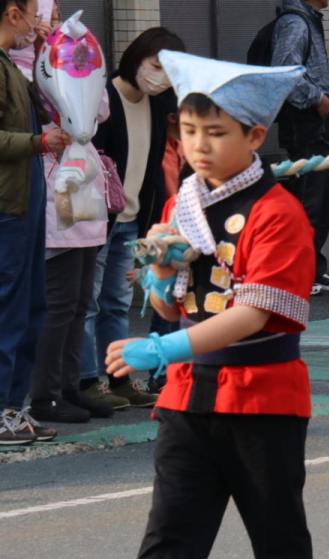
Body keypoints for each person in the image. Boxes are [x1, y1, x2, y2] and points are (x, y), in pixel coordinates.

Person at [92, 50, 321, 559]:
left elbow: (252, 314)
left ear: (254, 137)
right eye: (189, 132)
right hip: (191, 395)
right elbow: (172, 302)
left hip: (263, 396)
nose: (199, 146)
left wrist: (161, 347)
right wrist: (160, 281)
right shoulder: (182, 205)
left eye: (216, 133)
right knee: (171, 527)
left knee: (275, 526)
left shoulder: (279, 214)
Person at [80, 27, 184, 416]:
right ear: (136, 57)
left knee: (116, 303)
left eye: (168, 72)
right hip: (96, 220)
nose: (160, 77)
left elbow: (155, 169)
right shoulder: (103, 96)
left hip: (132, 218)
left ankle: (120, 377)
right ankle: (88, 380)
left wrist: (147, 230)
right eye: (155, 66)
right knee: (88, 302)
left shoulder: (158, 104)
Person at [1, 0, 70, 446]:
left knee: (30, 309)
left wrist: (50, 57)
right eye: (36, 13)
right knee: (8, 309)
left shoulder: (11, 65)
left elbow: (49, 108)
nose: (39, 22)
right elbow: (27, 133)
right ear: (13, 13)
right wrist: (38, 142)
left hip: (24, 204)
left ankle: (12, 409)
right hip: (7, 206)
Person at [29, 91, 112, 425]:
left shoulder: (72, 60)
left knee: (80, 301)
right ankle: (44, 396)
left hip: (85, 187)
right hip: (55, 187)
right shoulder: (23, 68)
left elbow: (98, 111)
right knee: (59, 305)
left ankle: (69, 385)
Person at [272, 0, 329, 297]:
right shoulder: (295, 22)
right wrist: (317, 98)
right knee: (309, 201)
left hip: (318, 126)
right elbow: (283, 71)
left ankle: (312, 267)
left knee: (325, 200)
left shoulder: (308, 19)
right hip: (306, 124)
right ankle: (297, 271)